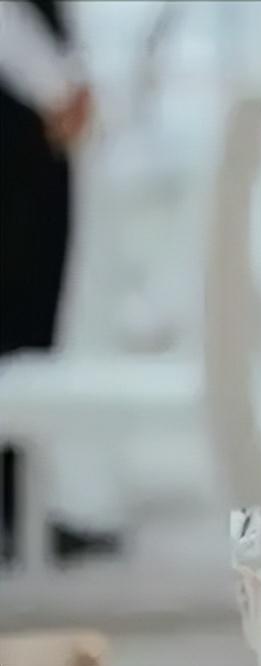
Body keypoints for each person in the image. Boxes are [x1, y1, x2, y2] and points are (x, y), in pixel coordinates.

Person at [0, 0, 116, 565]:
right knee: (16, 335)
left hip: (34, 130)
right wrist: (55, 87)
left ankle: (21, 513)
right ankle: (14, 518)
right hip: (18, 130)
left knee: (30, 338)